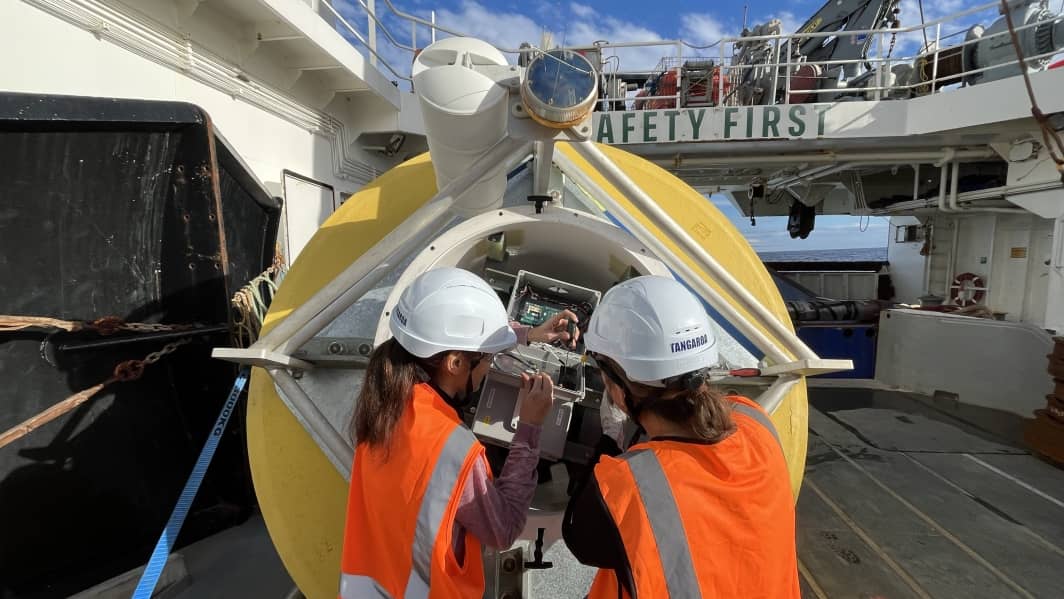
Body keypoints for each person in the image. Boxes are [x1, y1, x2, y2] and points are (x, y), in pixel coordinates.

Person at [563, 275, 799, 599]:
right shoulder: (756, 421)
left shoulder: (625, 486)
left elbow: (580, 537)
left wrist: (610, 438)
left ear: (619, 387)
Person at [338, 267, 567, 598]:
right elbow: (503, 529)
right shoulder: (453, 450)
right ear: (455, 363)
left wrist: (526, 334)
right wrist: (529, 428)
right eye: (488, 360)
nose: (489, 369)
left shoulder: (383, 401)